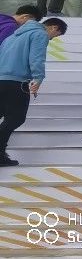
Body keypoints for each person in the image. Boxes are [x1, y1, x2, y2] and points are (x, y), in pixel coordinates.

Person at [0, 14, 65, 166]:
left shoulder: (13, 36)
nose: (51, 39)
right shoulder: (40, 34)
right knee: (16, 118)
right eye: (55, 36)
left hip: (2, 79)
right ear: (54, 27)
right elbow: (37, 57)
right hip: (17, 81)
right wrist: (38, 78)